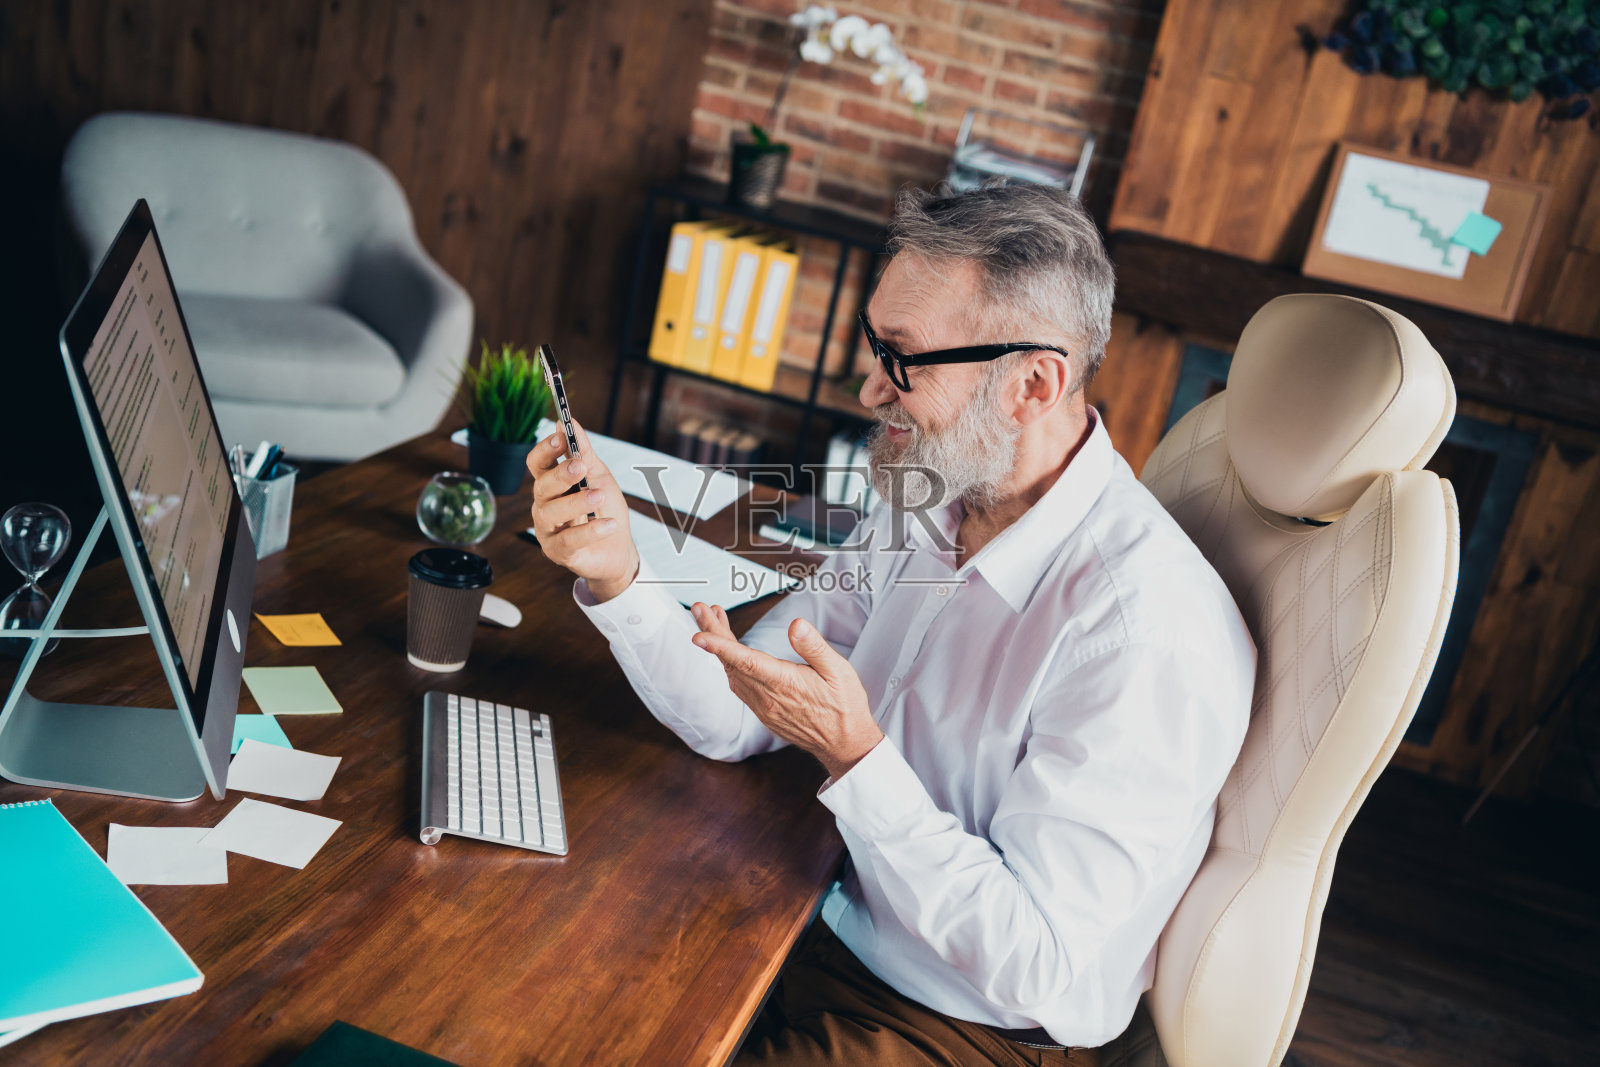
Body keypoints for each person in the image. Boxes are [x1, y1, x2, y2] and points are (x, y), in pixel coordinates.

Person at [528, 183, 1254, 1067]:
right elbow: (737, 715)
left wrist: (856, 758)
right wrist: (619, 575)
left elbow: (1038, 960)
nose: (870, 387)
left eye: (904, 359)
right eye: (874, 343)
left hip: (957, 1026)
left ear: (1033, 382)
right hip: (814, 908)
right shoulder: (926, 497)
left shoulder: (1143, 630)